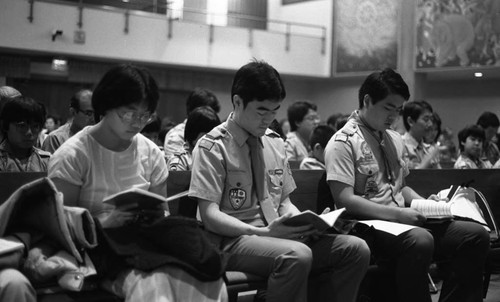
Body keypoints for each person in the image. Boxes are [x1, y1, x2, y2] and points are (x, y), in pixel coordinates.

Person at [189, 60, 370, 302]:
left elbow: (283, 201)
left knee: (355, 249)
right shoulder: (213, 146)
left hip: (277, 235)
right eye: (262, 111)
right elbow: (209, 214)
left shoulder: (274, 142)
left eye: (274, 111)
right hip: (232, 242)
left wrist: (309, 224)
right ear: (237, 102)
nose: (268, 119)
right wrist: (261, 232)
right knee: (297, 256)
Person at [47, 64, 227, 302]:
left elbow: (161, 211)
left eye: (145, 115)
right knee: (153, 287)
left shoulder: (150, 153)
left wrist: (151, 217)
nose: (137, 122)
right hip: (95, 252)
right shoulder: (74, 154)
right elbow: (59, 226)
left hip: (142, 245)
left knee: (208, 281)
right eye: (130, 113)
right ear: (107, 104)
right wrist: (102, 222)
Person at [325, 68, 490, 302]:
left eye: (398, 109)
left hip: (401, 219)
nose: (393, 116)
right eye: (388, 107)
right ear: (367, 101)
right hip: (366, 225)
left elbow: (400, 187)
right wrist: (398, 213)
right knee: (420, 240)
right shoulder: (343, 142)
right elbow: (345, 199)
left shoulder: (393, 138)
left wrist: (424, 203)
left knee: (474, 235)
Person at [163, 87, 220, 160]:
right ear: (192, 112)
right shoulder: (176, 136)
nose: (210, 116)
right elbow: (177, 168)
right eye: (204, 112)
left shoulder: (216, 133)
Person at [0, 96, 51, 172]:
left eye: (35, 126)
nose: (29, 133)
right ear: (5, 125)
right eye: (22, 126)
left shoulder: (47, 160)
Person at [167, 106, 220, 171]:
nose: (212, 140)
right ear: (193, 135)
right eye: (207, 136)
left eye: (214, 136)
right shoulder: (181, 161)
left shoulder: (217, 157)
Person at [42, 89, 94, 153]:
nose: (93, 118)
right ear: (73, 112)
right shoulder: (56, 138)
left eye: (96, 113)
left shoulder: (100, 138)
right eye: (89, 113)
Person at [401, 100, 441, 169]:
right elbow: (412, 176)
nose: (430, 124)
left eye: (431, 119)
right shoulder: (400, 145)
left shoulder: (428, 148)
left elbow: (441, 176)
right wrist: (430, 157)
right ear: (410, 121)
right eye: (426, 119)